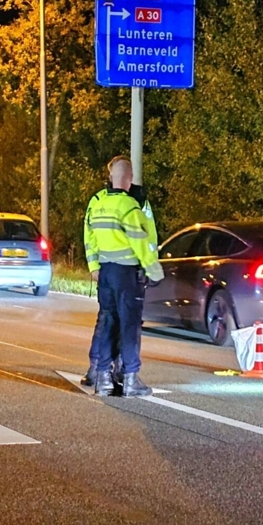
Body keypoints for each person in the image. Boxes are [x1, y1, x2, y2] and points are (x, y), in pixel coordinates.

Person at [86, 157, 164, 397]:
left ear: (111, 177)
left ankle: (102, 378)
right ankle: (130, 378)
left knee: (108, 322)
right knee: (129, 324)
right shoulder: (131, 207)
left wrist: (94, 265)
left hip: (106, 271)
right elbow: (141, 243)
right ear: (129, 179)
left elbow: (90, 236)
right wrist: (154, 271)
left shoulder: (98, 204)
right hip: (127, 273)